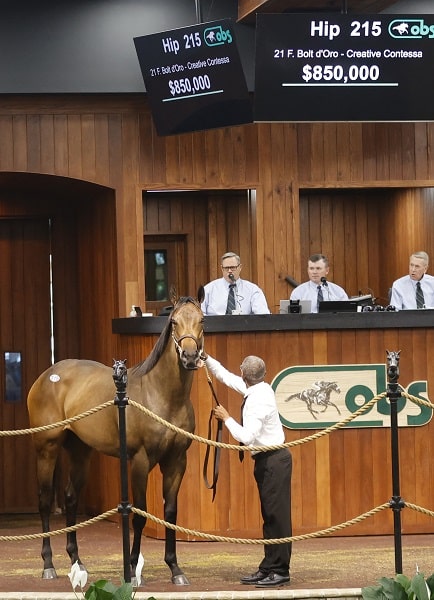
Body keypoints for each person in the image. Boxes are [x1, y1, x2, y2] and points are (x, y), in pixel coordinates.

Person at [201, 352, 292, 587]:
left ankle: (280, 570)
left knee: (277, 518)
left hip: (273, 461)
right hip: (267, 461)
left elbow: (247, 436)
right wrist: (207, 358)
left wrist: (227, 418)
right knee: (269, 517)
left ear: (245, 374)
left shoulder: (257, 401)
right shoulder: (260, 389)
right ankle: (269, 566)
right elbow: (226, 377)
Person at [201, 252, 270, 315]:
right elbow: (200, 314)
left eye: (233, 268)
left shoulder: (252, 290)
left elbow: (263, 314)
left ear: (240, 267)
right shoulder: (208, 290)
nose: (229, 271)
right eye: (226, 268)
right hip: (215, 327)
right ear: (222, 268)